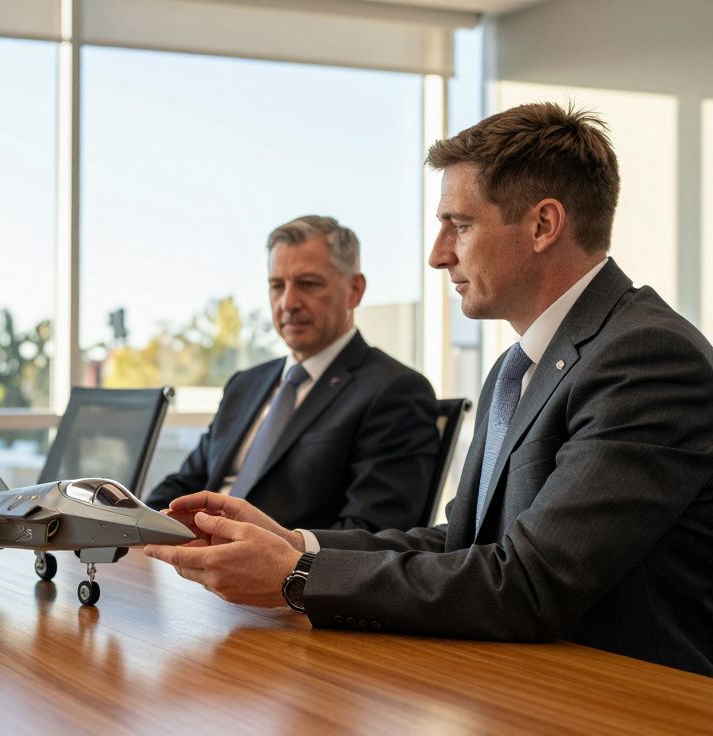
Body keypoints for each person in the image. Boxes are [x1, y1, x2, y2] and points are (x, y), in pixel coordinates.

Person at [144, 102, 713, 676]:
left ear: (544, 225)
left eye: (460, 226)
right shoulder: (519, 366)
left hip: (628, 697)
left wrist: (296, 580)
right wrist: (297, 546)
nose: (438, 255)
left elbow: (529, 584)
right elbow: (460, 545)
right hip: (527, 681)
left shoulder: (647, 359)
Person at [144, 215, 439, 532]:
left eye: (308, 284)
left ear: (354, 290)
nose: (288, 303)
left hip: (282, 575)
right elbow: (184, 485)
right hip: (193, 566)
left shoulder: (394, 390)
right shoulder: (244, 384)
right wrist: (134, 521)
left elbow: (369, 534)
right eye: (276, 286)